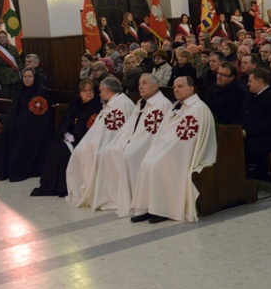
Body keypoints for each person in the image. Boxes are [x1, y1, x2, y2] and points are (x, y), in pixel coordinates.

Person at [130, 76, 217, 223]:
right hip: (170, 148)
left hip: (185, 152)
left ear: (191, 89)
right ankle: (148, 207)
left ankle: (164, 208)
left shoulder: (199, 108)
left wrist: (165, 150)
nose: (176, 90)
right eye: (175, 87)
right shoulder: (178, 106)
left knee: (157, 164)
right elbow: (165, 131)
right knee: (147, 163)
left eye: (180, 86)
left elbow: (189, 137)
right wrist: (159, 148)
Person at [97, 74, 173, 216]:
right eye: (139, 83)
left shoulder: (163, 104)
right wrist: (122, 142)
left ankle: (135, 201)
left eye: (144, 83)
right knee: (107, 152)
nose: (140, 86)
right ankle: (116, 198)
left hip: (150, 145)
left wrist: (132, 146)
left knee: (128, 156)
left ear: (155, 86)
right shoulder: (141, 103)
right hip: (134, 140)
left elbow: (153, 133)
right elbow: (130, 126)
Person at [66, 77, 135, 208]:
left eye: (100, 91)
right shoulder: (110, 104)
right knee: (80, 151)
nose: (99, 94)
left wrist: (98, 143)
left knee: (99, 153)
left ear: (107, 90)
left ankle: (102, 193)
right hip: (101, 141)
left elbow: (117, 131)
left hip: (115, 143)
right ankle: (88, 189)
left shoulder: (123, 104)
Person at [30, 79, 102, 197]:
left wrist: (76, 137)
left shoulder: (96, 107)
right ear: (79, 94)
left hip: (84, 141)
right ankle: (51, 184)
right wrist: (66, 134)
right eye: (85, 91)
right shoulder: (75, 106)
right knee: (55, 146)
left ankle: (63, 186)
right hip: (71, 140)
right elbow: (66, 124)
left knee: (62, 150)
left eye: (90, 90)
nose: (88, 93)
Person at [0, 68, 53, 181]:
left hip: (37, 127)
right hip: (21, 123)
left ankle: (17, 167)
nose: (27, 79)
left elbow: (38, 114)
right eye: (25, 77)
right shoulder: (20, 90)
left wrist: (19, 124)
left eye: (30, 77)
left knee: (19, 135)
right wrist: (11, 123)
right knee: (5, 134)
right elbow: (13, 110)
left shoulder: (41, 91)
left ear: (35, 78)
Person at [237, 68, 271, 177]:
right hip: (250, 135)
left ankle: (244, 180)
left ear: (259, 82)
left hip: (267, 138)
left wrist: (247, 132)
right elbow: (241, 115)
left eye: (250, 81)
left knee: (240, 147)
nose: (248, 84)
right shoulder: (250, 96)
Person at [0, 30, 23, 99]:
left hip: (15, 78)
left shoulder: (13, 48)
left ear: (7, 38)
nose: (2, 39)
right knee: (5, 99)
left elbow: (19, 62)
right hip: (3, 79)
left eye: (4, 37)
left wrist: (22, 74)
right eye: (0, 37)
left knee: (16, 97)